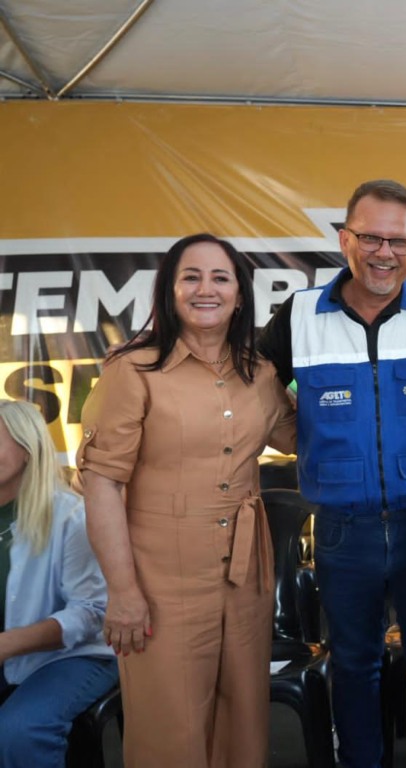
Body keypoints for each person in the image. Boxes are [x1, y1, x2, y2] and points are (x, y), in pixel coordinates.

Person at [259, 180, 406, 768]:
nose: (383, 252)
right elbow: (251, 388)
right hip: (343, 528)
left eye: (399, 241)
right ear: (345, 239)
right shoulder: (300, 314)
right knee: (354, 663)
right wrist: (299, 434)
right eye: (370, 237)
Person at [78, 233, 296, 767]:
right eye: (191, 277)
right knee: (169, 731)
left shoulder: (260, 374)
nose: (207, 289)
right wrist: (123, 591)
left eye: (221, 278)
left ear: (240, 295)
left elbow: (310, 442)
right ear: (169, 292)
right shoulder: (132, 371)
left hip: (244, 578)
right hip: (159, 583)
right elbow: (102, 483)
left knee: (244, 725)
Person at [0, 400, 117, 767]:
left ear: (27, 448)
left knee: (20, 729)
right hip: (9, 656)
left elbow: (92, 613)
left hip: (76, 656)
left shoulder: (71, 517)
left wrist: (7, 643)